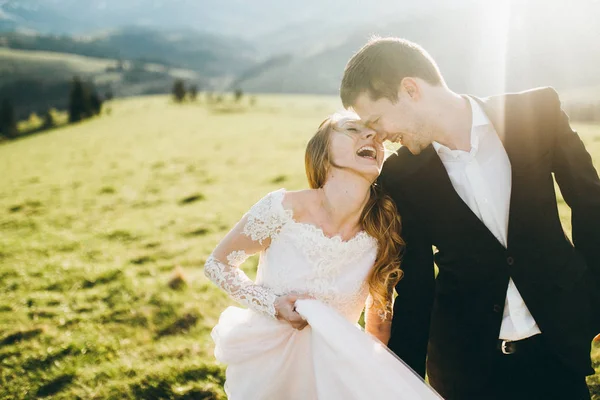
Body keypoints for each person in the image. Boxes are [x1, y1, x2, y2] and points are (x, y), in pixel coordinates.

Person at [340, 36, 600, 400]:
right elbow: (414, 287)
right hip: (467, 369)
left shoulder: (537, 112)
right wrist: (402, 383)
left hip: (559, 350)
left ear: (411, 89)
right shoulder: (399, 176)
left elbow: (590, 202)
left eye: (377, 119)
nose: (380, 136)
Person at [204, 112, 442, 399]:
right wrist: (271, 304)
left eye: (376, 137)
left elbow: (379, 321)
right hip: (270, 364)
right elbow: (218, 263)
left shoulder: (383, 231)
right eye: (352, 129)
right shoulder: (282, 208)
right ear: (323, 153)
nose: (372, 137)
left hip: (336, 370)